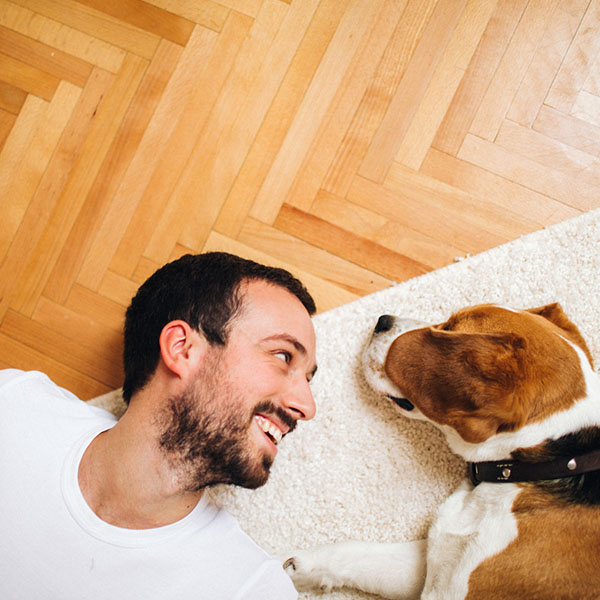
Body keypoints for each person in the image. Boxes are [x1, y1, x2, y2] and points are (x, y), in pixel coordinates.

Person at [0, 252, 318, 599]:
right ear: (182, 349)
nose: (307, 406)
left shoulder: (251, 590)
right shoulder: (13, 405)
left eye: (308, 379)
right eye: (283, 356)